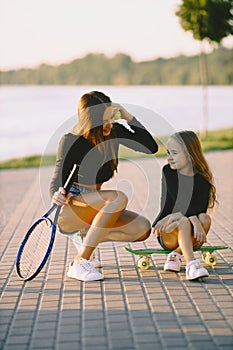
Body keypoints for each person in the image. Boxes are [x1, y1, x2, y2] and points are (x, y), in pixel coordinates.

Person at [50, 90, 158, 281]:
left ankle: (85, 239)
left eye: (111, 117)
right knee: (118, 198)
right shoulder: (71, 141)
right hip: (73, 208)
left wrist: (128, 116)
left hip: (96, 207)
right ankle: (80, 262)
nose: (109, 124)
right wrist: (57, 193)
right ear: (90, 121)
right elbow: (57, 181)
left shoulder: (114, 131)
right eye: (104, 120)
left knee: (142, 228)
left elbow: (151, 147)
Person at [151, 130, 216, 280]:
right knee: (185, 220)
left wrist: (186, 216)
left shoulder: (202, 180)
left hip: (188, 231)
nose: (169, 158)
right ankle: (191, 265)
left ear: (189, 154)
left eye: (174, 153)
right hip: (167, 230)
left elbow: (200, 210)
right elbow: (179, 202)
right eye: (168, 152)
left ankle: (176, 254)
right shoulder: (169, 172)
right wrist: (184, 217)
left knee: (205, 218)